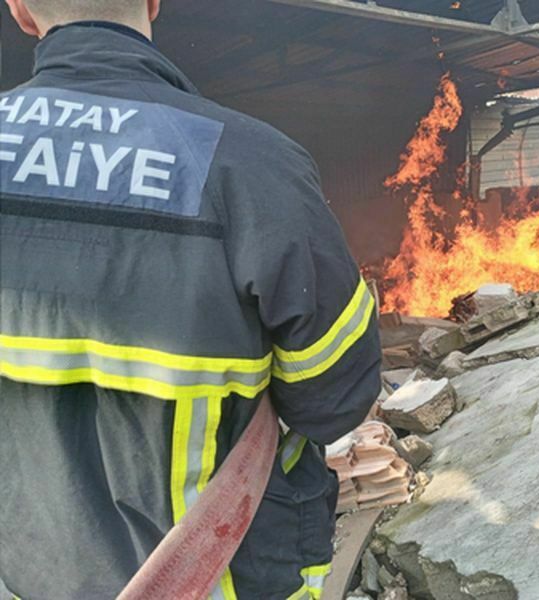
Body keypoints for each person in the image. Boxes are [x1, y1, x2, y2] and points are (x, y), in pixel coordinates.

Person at [0, 1, 382, 598]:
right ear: (154, 2)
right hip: (218, 576)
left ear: (20, 10)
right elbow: (334, 400)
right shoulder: (253, 163)